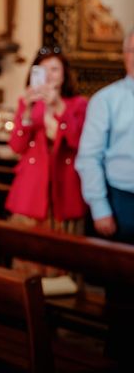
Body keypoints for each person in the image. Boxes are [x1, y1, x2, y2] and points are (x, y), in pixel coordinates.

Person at [5, 47, 88, 274]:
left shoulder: (79, 104)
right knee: (28, 260)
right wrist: (27, 111)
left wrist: (57, 106)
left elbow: (77, 141)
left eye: (54, 69)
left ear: (64, 74)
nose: (49, 75)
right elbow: (16, 146)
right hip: (32, 191)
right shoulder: (28, 102)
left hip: (64, 189)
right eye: (43, 69)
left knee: (63, 261)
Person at [76, 31, 134, 244]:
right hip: (122, 201)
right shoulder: (105, 100)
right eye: (133, 51)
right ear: (125, 55)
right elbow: (89, 157)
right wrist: (99, 206)